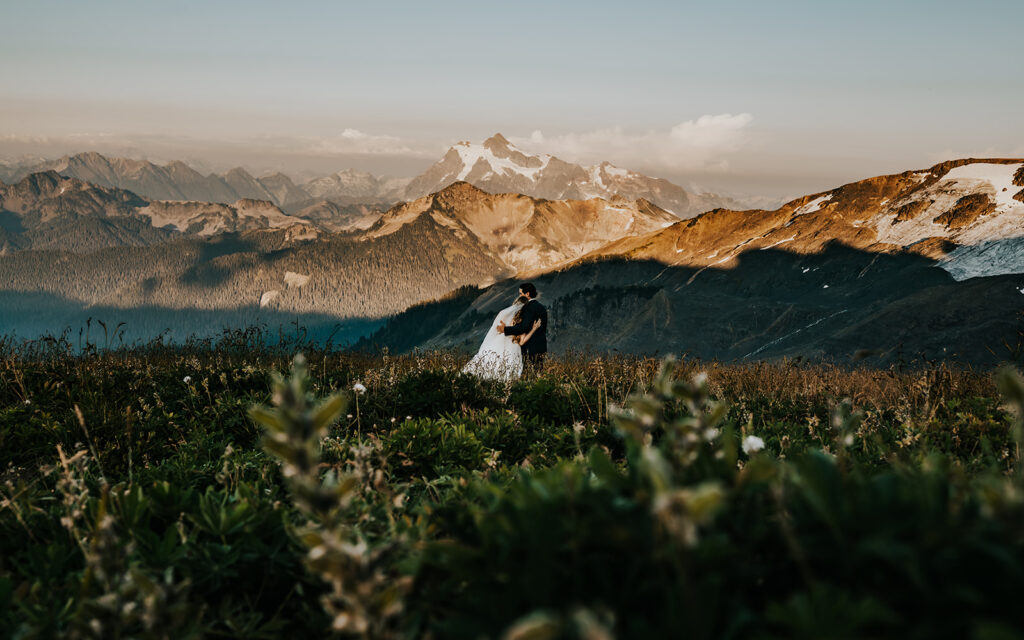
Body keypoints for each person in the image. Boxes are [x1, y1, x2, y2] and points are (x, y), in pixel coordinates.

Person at [461, 294, 542, 382]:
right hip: (512, 348)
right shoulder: (522, 320)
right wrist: (534, 329)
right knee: (507, 376)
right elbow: (522, 342)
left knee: (489, 366)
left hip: (497, 342)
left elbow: (497, 329)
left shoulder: (504, 315)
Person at [497, 282, 548, 372]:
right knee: (538, 373)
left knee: (528, 374)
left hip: (530, 347)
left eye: (521, 293)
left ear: (527, 294)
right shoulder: (542, 307)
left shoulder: (528, 308)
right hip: (542, 345)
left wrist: (505, 329)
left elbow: (523, 327)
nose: (520, 296)